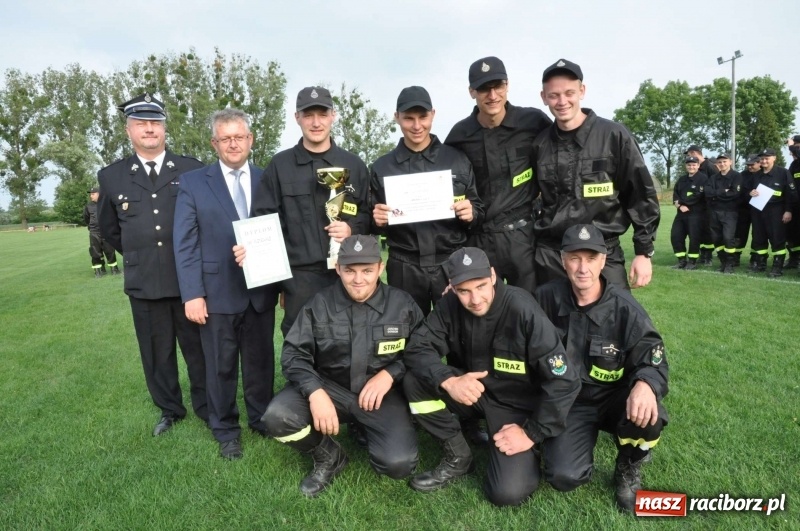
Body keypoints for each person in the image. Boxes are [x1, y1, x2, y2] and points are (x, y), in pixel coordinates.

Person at [401, 247, 580, 507]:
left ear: (493, 276)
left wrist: (531, 433)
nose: (475, 299)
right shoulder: (449, 305)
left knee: (506, 493)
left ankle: (534, 448)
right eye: (464, 290)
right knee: (415, 382)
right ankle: (458, 455)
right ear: (452, 287)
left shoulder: (523, 309)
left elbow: (564, 381)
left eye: (481, 286)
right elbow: (417, 348)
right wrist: (449, 381)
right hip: (473, 393)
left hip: (516, 407)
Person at [262, 235, 423, 497]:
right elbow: (293, 354)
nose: (358, 279)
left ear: (380, 268)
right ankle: (329, 456)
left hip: (380, 395)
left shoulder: (402, 304)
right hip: (330, 388)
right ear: (338, 268)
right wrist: (315, 392)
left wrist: (391, 373)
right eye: (349, 271)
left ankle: (366, 426)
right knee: (277, 417)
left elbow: (422, 351)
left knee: (399, 465)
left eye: (367, 271)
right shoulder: (319, 304)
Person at [534, 223, 669, 513]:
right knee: (563, 476)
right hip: (570, 403)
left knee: (648, 412)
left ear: (604, 261)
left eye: (591, 258)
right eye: (574, 258)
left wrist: (645, 384)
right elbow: (509, 315)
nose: (583, 268)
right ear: (562, 260)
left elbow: (653, 357)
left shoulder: (626, 308)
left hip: (613, 398)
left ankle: (629, 465)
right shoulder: (543, 298)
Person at [97, 93, 208, 435]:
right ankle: (170, 410)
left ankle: (207, 407)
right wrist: (141, 253)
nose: (149, 129)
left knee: (199, 351)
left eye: (155, 123)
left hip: (188, 282)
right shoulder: (112, 176)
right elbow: (109, 228)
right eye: (141, 123)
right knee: (156, 354)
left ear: (164, 128)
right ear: (128, 130)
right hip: (144, 281)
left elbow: (206, 221)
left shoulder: (192, 169)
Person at [173, 109, 279, 459]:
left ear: (250, 140)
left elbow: (279, 234)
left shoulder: (268, 179)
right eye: (225, 138)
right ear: (214, 143)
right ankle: (225, 428)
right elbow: (185, 243)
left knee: (261, 362)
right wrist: (192, 294)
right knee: (219, 365)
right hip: (215, 293)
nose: (233, 144)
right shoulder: (193, 183)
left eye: (239, 137)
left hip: (261, 291)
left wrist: (280, 284)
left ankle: (261, 418)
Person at [245, 86, 370, 337]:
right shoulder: (280, 166)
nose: (316, 123)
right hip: (299, 279)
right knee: (301, 343)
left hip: (346, 273)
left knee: (350, 340)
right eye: (308, 115)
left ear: (333, 116)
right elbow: (265, 221)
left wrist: (351, 228)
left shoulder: (353, 165)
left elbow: (368, 214)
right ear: (297, 118)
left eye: (322, 115)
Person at [531, 59, 659, 288]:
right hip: (552, 255)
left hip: (602, 253)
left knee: (615, 320)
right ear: (543, 97)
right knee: (550, 323)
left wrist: (643, 252)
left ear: (582, 91)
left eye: (569, 93)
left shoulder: (614, 135)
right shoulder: (539, 145)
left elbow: (641, 194)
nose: (562, 101)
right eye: (554, 95)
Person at [371, 85, 484, 315]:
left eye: (423, 117)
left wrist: (471, 214)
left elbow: (478, 209)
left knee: (459, 335)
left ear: (433, 114)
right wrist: (377, 220)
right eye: (408, 118)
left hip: (451, 263)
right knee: (408, 336)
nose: (416, 125)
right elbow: (368, 221)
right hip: (405, 266)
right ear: (396, 117)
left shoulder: (457, 160)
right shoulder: (382, 167)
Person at [445, 56, 552, 293]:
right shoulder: (459, 134)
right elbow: (445, 183)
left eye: (498, 86)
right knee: (483, 312)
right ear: (472, 91)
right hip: (479, 240)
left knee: (529, 310)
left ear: (507, 85)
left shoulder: (534, 122)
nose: (492, 95)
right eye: (484, 89)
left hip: (524, 238)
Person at [749, 148, 797, 277]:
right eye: (762, 159)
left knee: (777, 239)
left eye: (767, 158)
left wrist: (788, 211)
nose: (764, 161)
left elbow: (791, 194)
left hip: (776, 211)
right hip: (758, 210)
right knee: (759, 238)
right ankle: (760, 264)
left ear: (774, 158)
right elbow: (751, 191)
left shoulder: (783, 173)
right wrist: (751, 193)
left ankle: (777, 267)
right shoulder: (757, 175)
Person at [706, 153, 743, 273]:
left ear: (730, 162)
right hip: (714, 212)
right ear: (717, 164)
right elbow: (707, 193)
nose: (722, 164)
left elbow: (734, 194)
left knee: (728, 238)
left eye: (724, 161)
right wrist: (723, 192)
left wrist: (716, 193)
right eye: (720, 162)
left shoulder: (737, 176)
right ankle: (723, 262)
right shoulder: (713, 178)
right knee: (716, 239)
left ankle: (730, 264)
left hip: (730, 212)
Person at [670, 156, 707, 270]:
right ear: (686, 166)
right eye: (689, 165)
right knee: (676, 236)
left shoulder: (703, 179)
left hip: (695, 214)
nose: (691, 167)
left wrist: (682, 203)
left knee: (694, 237)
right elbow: (676, 193)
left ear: (698, 165)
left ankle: (692, 261)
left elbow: (698, 195)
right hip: (681, 214)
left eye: (694, 164)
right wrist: (679, 204)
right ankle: (681, 260)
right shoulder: (682, 179)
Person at [684, 145, 717, 265]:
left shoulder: (709, 166)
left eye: (689, 154)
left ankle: (707, 256)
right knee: (699, 231)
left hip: (708, 204)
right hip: (697, 206)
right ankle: (701, 254)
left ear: (694, 153)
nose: (688, 157)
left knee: (707, 231)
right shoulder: (695, 167)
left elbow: (715, 182)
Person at [83, 186, 120, 278]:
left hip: (107, 231)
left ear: (99, 194)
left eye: (93, 194)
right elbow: (86, 218)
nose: (91, 196)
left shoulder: (106, 204)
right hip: (94, 232)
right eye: (90, 194)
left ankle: (114, 269)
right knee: (95, 251)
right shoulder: (88, 206)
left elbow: (114, 216)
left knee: (110, 250)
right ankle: (98, 271)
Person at [733, 154, 762, 268]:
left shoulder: (764, 175)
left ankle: (755, 258)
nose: (750, 167)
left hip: (759, 209)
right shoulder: (742, 175)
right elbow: (737, 192)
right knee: (739, 234)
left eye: (752, 165)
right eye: (748, 165)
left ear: (759, 163)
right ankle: (735, 257)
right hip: (743, 209)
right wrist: (748, 194)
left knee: (757, 234)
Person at [785, 136, 800, 269]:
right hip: (795, 207)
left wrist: (792, 145)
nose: (792, 152)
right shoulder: (794, 165)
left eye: (797, 148)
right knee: (792, 234)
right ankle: (794, 259)